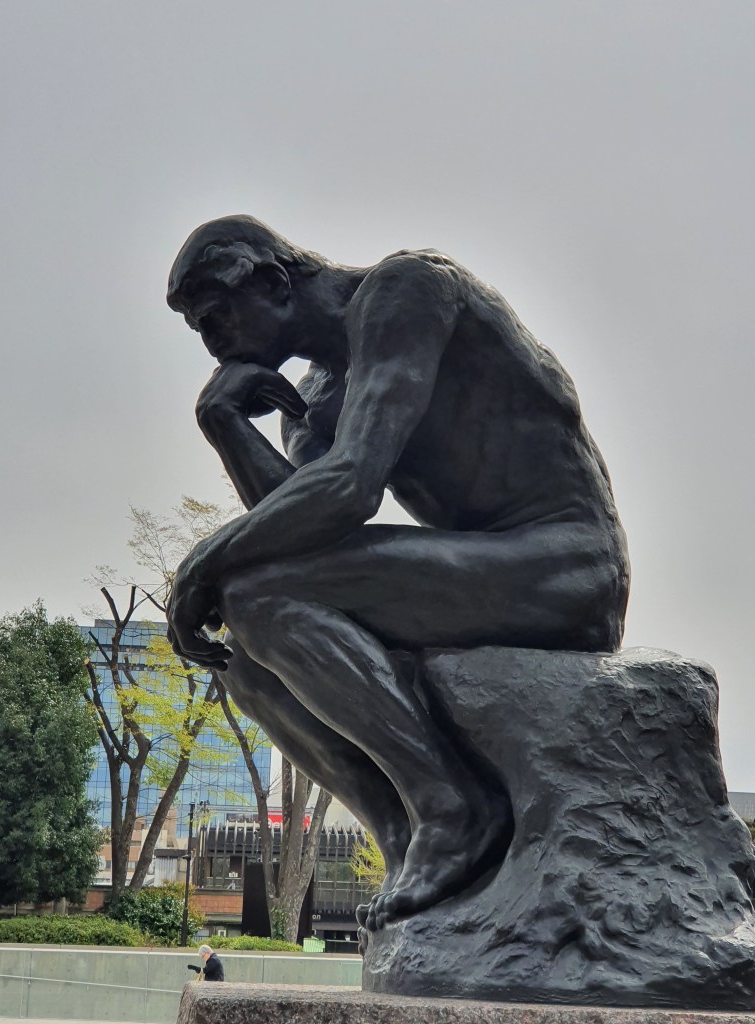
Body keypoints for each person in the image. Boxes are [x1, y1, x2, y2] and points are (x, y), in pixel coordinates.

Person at [165, 216, 630, 929]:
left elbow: (351, 488)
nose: (212, 341)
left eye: (216, 316)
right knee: (239, 642)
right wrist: (224, 422)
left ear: (274, 282)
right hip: (481, 572)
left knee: (251, 593)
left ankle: (454, 807)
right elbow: (297, 529)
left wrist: (204, 561)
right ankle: (405, 829)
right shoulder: (318, 397)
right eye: (199, 327)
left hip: (564, 563)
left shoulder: (406, 291)